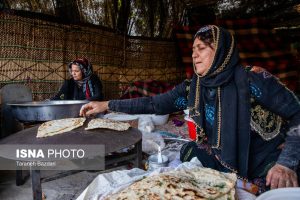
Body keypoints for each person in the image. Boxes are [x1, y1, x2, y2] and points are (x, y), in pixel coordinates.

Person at [79, 25, 300, 194]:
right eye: (193, 49)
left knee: (279, 187)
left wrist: (286, 163)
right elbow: (154, 104)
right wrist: (107, 105)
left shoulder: (253, 79)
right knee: (188, 154)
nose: (194, 55)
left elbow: (297, 113)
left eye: (201, 49)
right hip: (225, 156)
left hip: (266, 158)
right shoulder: (194, 87)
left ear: (222, 51)